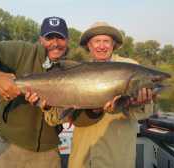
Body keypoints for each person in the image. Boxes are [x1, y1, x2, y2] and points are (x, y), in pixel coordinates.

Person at [0, 16, 70, 168]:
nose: (55, 43)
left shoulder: (71, 68)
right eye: (49, 37)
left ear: (68, 41)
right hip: (9, 148)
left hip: (49, 152)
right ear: (40, 39)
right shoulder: (22, 51)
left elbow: (67, 114)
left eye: (60, 38)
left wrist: (47, 106)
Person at [67, 22, 154, 168]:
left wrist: (140, 103)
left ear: (113, 44)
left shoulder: (130, 67)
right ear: (89, 45)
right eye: (97, 41)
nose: (102, 46)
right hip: (82, 158)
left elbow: (146, 112)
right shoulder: (78, 70)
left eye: (106, 41)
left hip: (116, 158)